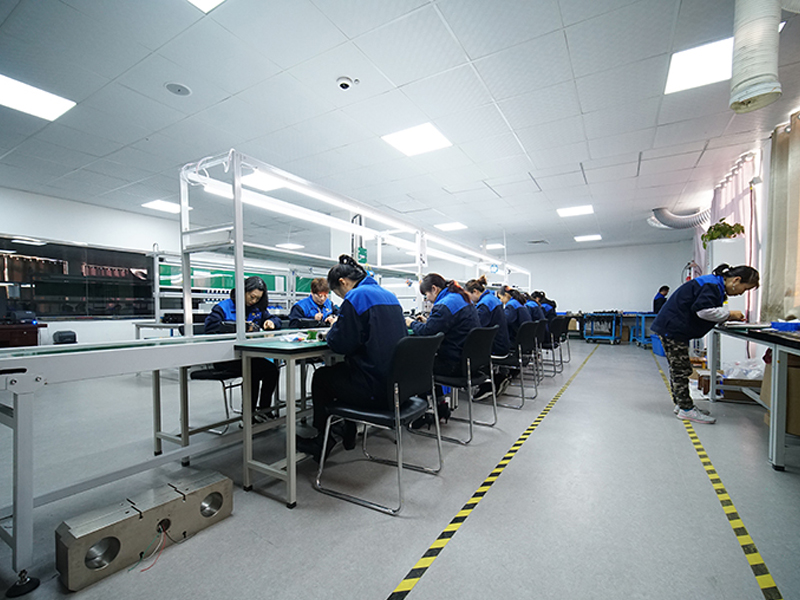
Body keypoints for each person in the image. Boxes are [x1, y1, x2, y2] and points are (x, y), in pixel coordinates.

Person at [296, 256, 407, 462]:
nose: (341, 298)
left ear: (343, 282)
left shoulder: (357, 296)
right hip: (396, 386)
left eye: (338, 293)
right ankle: (348, 431)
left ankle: (322, 441)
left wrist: (334, 330)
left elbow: (341, 344)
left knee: (322, 377)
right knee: (342, 371)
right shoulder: (389, 295)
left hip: (374, 390)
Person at [651, 264, 759, 424]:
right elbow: (703, 311)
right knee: (681, 370)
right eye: (745, 288)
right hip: (673, 329)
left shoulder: (714, 284)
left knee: (678, 369)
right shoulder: (712, 285)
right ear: (736, 280)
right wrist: (729, 314)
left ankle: (681, 404)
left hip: (673, 328)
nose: (741, 293)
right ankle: (686, 409)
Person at [204, 276, 281, 419]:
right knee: (253, 371)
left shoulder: (257, 309)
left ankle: (264, 409)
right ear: (243, 291)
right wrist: (240, 327)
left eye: (258, 298)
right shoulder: (223, 308)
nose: (254, 301)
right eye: (252, 297)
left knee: (272, 370)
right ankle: (248, 415)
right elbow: (210, 328)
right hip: (226, 358)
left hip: (248, 356)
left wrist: (271, 322)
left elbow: (276, 319)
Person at [406, 274, 481, 421]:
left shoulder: (445, 305)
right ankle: (441, 406)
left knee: (418, 366)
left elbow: (427, 332)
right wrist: (429, 322)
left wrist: (411, 323)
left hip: (455, 365)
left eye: (426, 294)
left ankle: (419, 415)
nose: (427, 299)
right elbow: (449, 326)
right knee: (429, 363)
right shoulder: (460, 298)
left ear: (434, 289)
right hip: (470, 363)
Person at [466, 275, 511, 399]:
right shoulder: (491, 299)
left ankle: (485, 383)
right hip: (502, 343)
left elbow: (476, 328)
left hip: (496, 347)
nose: (468, 299)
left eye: (468, 296)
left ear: (475, 291)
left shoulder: (484, 304)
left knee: (464, 350)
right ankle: (497, 378)